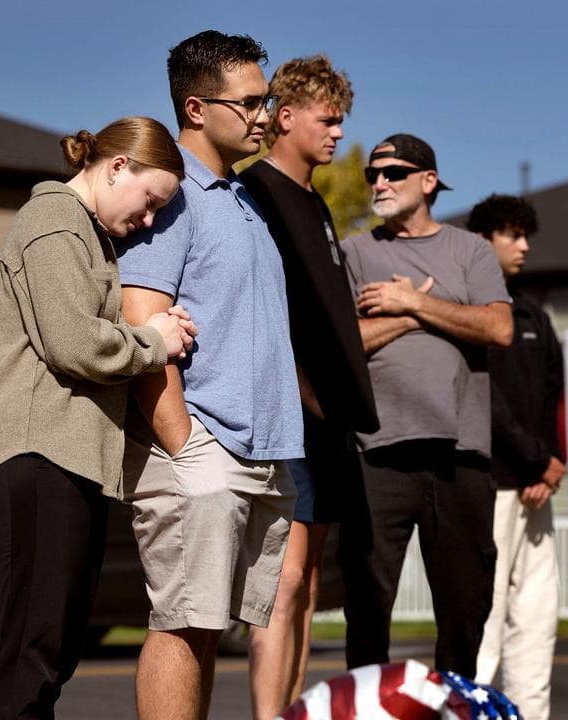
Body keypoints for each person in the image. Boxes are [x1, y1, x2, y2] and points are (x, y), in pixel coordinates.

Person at [0, 116, 196, 719]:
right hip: (35, 454)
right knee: (29, 649)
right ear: (118, 166)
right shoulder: (53, 220)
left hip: (62, 459)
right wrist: (151, 341)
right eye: (148, 203)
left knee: (50, 649)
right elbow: (73, 342)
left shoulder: (83, 233)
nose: (146, 222)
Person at [115, 31, 303, 720]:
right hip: (202, 451)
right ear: (196, 108)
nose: (265, 115)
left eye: (268, 99)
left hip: (258, 453)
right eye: (250, 102)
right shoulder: (170, 197)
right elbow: (144, 320)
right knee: (182, 624)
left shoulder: (243, 201)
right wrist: (184, 442)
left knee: (211, 628)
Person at [340, 134, 513, 676]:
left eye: (392, 173)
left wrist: (412, 300)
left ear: (428, 181)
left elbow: (499, 327)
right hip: (377, 452)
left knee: (465, 607)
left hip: (459, 453)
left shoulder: (471, 251)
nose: (379, 184)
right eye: (373, 174)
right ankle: (367, 712)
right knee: (367, 607)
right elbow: (345, 345)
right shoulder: (356, 251)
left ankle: (452, 704)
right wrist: (412, 316)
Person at [238, 54, 379, 717]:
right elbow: (255, 313)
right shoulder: (255, 194)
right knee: (283, 576)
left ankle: (291, 709)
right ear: (285, 116)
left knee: (312, 576)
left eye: (342, 122)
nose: (337, 134)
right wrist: (300, 393)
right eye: (327, 121)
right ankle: (268, 714)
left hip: (326, 419)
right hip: (281, 414)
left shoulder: (317, 203)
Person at [466, 194, 565, 720]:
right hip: (493, 487)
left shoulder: (534, 315)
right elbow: (485, 402)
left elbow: (558, 395)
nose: (524, 246)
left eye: (527, 235)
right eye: (512, 235)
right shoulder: (473, 311)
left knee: (537, 620)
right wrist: (534, 460)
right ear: (485, 240)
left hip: (536, 489)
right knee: (486, 624)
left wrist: (552, 464)